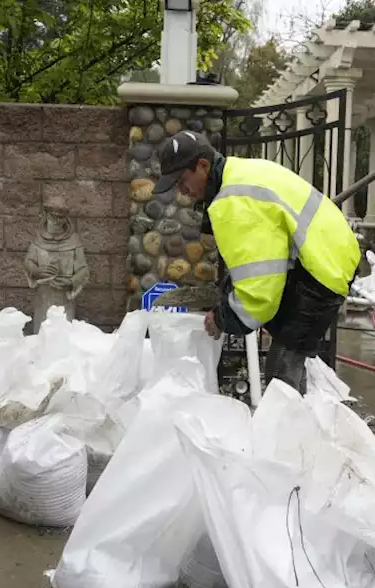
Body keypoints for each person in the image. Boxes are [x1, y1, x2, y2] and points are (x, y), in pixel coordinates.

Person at [153, 130, 361, 394]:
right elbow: (259, 256)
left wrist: (222, 318)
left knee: (282, 366)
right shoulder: (238, 174)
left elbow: (260, 290)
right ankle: (298, 416)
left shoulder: (233, 202)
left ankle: (288, 430)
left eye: (183, 180)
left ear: (203, 166)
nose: (182, 190)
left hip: (323, 266)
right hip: (326, 252)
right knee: (288, 352)